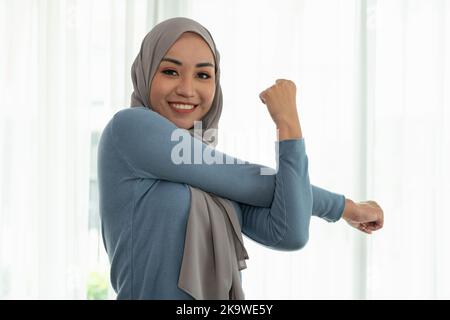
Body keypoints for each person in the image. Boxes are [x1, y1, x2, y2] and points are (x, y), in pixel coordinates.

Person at [97, 17, 384, 300]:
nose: (187, 88)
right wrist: (345, 207)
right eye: (171, 71)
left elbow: (291, 231)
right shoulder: (128, 129)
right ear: (146, 72)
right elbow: (244, 179)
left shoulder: (216, 189)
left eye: (203, 75)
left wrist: (288, 125)